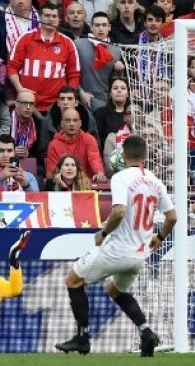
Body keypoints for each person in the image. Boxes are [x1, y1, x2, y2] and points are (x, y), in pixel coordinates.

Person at [55, 136, 176, 358]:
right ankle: (146, 332)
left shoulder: (121, 177)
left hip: (117, 249)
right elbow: (172, 217)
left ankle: (82, 339)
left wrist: (103, 233)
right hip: (139, 255)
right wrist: (159, 237)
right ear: (145, 155)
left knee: (73, 279)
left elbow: (119, 211)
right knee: (115, 290)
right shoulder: (155, 181)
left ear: (123, 155)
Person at [6, 3, 80, 114]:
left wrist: (66, 99)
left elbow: (74, 75)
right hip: (27, 104)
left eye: (54, 16)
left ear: (59, 19)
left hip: (55, 107)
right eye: (47, 16)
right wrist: (20, 90)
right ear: (40, 17)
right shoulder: (25, 39)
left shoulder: (68, 43)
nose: (50, 19)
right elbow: (12, 67)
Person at [75, 12, 124, 113]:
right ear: (91, 27)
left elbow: (115, 80)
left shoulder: (116, 50)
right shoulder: (78, 44)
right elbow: (71, 71)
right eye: (97, 25)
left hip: (106, 100)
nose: (101, 29)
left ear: (109, 27)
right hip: (84, 98)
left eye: (104, 25)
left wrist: (119, 70)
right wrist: (81, 92)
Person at [45, 108, 106, 182]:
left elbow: (94, 159)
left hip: (86, 184)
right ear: (62, 124)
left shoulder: (89, 139)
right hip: (63, 185)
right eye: (68, 120)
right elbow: (51, 173)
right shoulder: (53, 144)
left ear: (80, 123)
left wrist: (99, 172)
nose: (71, 124)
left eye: (75, 120)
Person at [93, 77, 130, 150]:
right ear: (110, 94)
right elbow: (96, 140)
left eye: (123, 88)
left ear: (128, 94)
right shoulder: (100, 113)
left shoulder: (134, 113)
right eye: (115, 88)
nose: (119, 90)